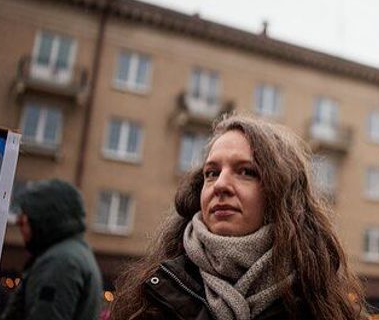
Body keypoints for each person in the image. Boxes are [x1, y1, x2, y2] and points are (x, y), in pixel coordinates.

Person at [110, 113, 364, 320]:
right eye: (211, 172)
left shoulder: (321, 305)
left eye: (246, 172)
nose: (220, 185)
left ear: (282, 194)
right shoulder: (151, 296)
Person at [1, 179, 103, 320]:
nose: (19, 225)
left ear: (42, 219)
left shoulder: (61, 261)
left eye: (24, 220)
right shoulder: (74, 252)